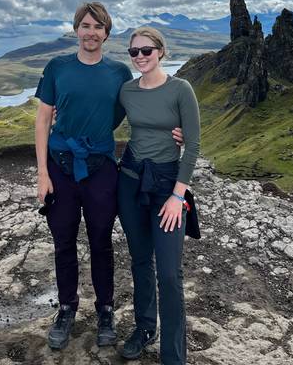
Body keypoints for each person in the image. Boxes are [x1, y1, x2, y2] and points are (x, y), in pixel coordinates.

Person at [34, 3, 184, 351]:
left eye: (98, 27)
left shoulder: (118, 73)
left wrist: (177, 133)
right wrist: (43, 173)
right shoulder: (57, 67)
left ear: (106, 32)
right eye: (85, 25)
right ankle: (67, 309)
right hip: (60, 166)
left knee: (101, 241)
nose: (91, 32)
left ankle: (105, 311)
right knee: (63, 242)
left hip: (101, 168)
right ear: (76, 30)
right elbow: (42, 121)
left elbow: (137, 108)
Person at [117, 26, 200, 365]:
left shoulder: (181, 89)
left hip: (167, 184)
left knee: (169, 272)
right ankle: (144, 328)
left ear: (161, 51)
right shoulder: (126, 90)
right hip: (131, 178)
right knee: (139, 260)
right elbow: (100, 121)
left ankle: (174, 357)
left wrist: (177, 196)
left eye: (146, 50)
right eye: (134, 52)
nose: (140, 57)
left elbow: (192, 144)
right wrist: (63, 117)